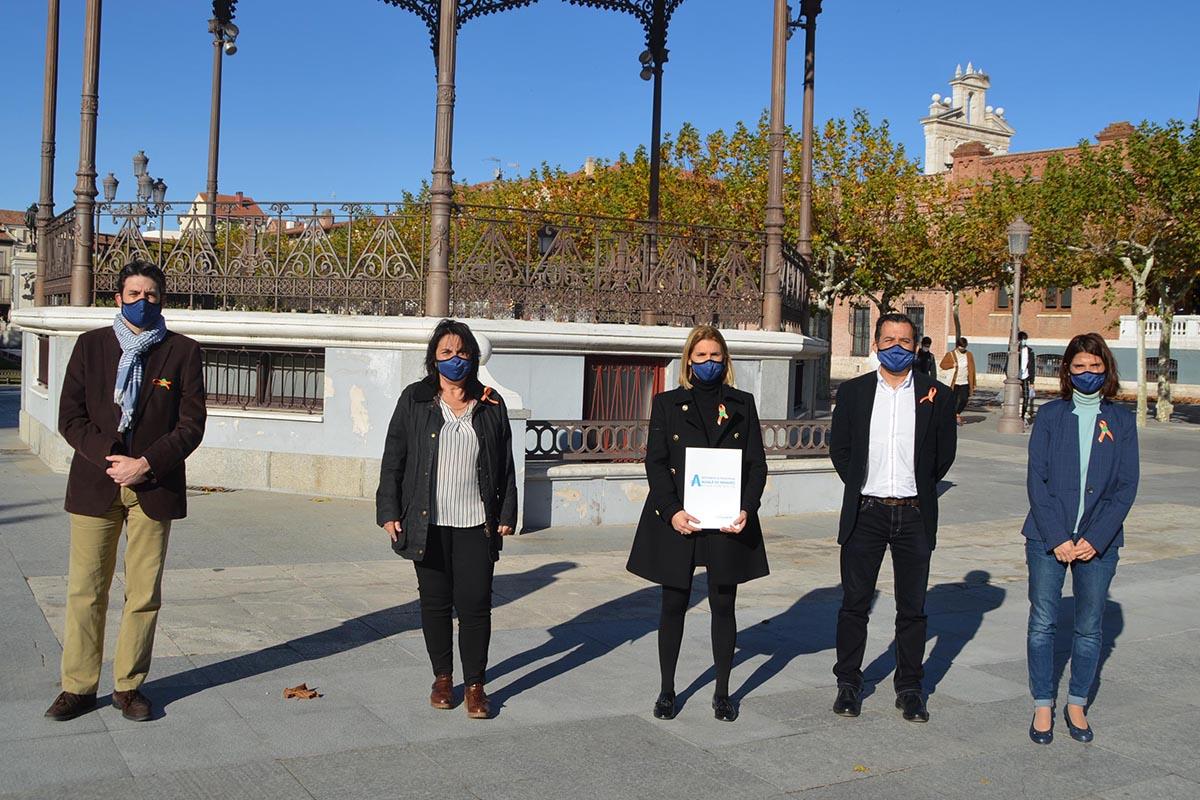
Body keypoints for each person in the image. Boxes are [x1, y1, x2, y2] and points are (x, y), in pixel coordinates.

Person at [44, 260, 207, 723]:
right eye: (133, 294)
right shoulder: (91, 347)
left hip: (153, 485)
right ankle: (77, 687)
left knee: (143, 592)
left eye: (151, 295)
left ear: (162, 300)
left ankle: (128, 686)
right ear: (117, 298)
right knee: (86, 590)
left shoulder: (182, 352)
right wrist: (112, 458)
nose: (142, 302)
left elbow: (191, 424)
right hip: (97, 482)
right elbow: (70, 417)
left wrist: (146, 463)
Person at [376, 319, 517, 720]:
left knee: (475, 605)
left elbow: (504, 463)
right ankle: (442, 678)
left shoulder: (490, 403)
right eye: (446, 353)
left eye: (462, 352)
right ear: (434, 359)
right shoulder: (415, 400)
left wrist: (507, 511)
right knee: (435, 604)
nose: (456, 359)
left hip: (476, 523)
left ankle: (475, 685)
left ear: (474, 356)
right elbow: (395, 458)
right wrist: (389, 510)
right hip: (427, 521)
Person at [627, 325, 769, 723]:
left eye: (716, 356)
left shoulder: (742, 403)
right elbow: (655, 462)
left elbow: (757, 464)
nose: (709, 362)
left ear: (726, 360)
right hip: (679, 520)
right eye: (701, 356)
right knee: (673, 604)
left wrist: (747, 508)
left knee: (724, 604)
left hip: (726, 522)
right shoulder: (668, 403)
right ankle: (667, 690)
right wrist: (672, 510)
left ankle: (723, 692)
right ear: (689, 360)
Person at [829, 312, 957, 723]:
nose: (896, 347)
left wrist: (916, 486)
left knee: (913, 608)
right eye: (889, 340)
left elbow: (943, 456)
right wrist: (861, 484)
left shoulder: (936, 394)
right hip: (866, 512)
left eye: (905, 341)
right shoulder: (854, 393)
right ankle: (849, 683)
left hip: (914, 514)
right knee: (854, 604)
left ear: (916, 345)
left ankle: (910, 688)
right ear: (876, 344)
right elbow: (841, 449)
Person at [1023, 333, 1137, 745]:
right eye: (1079, 366)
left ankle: (1076, 702)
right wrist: (1056, 538)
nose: (1088, 372)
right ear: (1067, 371)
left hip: (1098, 542)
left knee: (1089, 628)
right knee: (1043, 622)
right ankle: (1042, 702)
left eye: (1095, 365)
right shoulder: (1050, 416)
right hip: (1046, 538)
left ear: (1106, 368)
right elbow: (1037, 479)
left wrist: (1096, 537)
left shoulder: (1121, 420)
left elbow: (1126, 486)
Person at [939, 337, 976, 426]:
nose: (963, 349)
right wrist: (952, 365)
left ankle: (956, 414)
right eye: (961, 347)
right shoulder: (950, 354)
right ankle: (952, 417)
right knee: (953, 400)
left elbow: (972, 369)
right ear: (957, 346)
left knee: (964, 399)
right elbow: (942, 365)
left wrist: (973, 382)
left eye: (964, 347)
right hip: (954, 382)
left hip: (965, 381)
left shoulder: (969, 354)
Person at [1018, 331, 1037, 423]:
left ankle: (1022, 415)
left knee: (1026, 397)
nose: (1024, 341)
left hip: (1025, 376)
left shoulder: (1030, 351)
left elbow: (1032, 366)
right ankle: (1015, 414)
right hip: (1016, 377)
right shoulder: (1015, 350)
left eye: (1025, 339)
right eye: (1022, 339)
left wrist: (1032, 381)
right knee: (1014, 397)